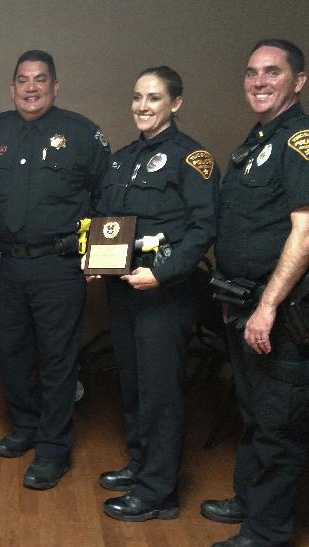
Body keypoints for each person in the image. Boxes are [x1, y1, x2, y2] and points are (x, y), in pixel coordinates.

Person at [203, 39, 309, 547]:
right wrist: (236, 300)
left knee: (280, 424)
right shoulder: (258, 141)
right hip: (246, 304)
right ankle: (248, 501)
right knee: (255, 413)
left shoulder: (307, 140)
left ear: (298, 81)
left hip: (285, 313)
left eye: (273, 72)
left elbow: (307, 233)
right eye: (252, 72)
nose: (259, 81)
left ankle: (268, 536)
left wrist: (265, 308)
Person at [0, 50, 109, 489]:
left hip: (59, 264)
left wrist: (97, 256)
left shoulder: (82, 133)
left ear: (55, 86)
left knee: (57, 359)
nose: (31, 88)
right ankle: (26, 425)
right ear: (12, 87)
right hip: (9, 262)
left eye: (40, 80)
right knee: (12, 352)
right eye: (23, 80)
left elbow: (107, 195)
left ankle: (54, 448)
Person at [93, 66, 218, 521]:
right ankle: (142, 466)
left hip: (165, 297)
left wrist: (160, 275)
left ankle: (157, 493)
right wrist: (96, 262)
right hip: (124, 292)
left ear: (175, 104)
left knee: (161, 392)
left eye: (153, 98)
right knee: (133, 385)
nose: (142, 107)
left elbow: (202, 229)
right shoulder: (122, 159)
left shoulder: (192, 158)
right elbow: (110, 221)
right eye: (137, 97)